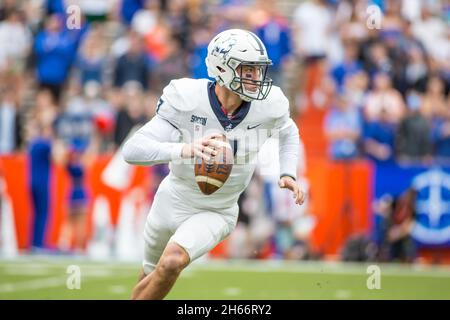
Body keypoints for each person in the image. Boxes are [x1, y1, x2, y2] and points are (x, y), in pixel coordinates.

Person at [122, 29, 305, 300]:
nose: (257, 78)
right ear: (222, 68)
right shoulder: (186, 98)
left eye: (258, 70)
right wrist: (186, 149)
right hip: (172, 198)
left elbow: (288, 132)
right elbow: (132, 150)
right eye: (248, 70)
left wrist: (288, 171)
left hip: (217, 210)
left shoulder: (269, 104)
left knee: (172, 261)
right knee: (149, 276)